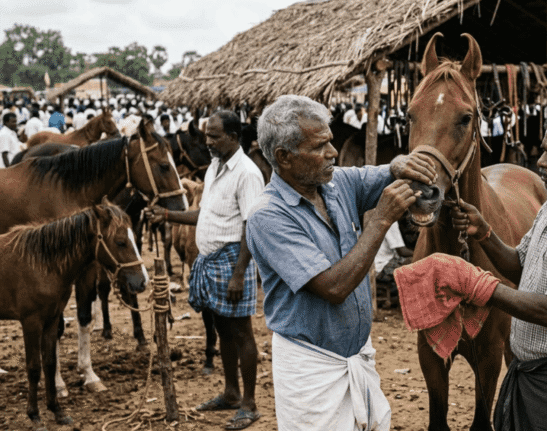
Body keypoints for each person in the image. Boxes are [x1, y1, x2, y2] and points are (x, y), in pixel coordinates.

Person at [402, 105, 547, 430]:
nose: (540, 162)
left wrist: (476, 285)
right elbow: (522, 266)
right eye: (543, 150)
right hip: (525, 371)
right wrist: (486, 235)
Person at [246, 95, 436, 430]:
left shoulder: (333, 184)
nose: (333, 153)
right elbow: (334, 288)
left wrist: (398, 166)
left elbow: (373, 174)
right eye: (320, 146)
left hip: (356, 355)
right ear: (284, 157)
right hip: (312, 370)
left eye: (330, 142)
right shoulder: (268, 216)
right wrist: (379, 222)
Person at [147, 110, 264, 430]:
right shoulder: (214, 166)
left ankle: (250, 405)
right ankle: (230, 393)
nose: (208, 142)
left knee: (242, 332)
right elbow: (205, 214)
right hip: (210, 261)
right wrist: (167, 217)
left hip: (232, 261)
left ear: (233, 137)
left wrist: (240, 273)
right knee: (222, 329)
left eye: (214, 136)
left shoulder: (247, 173)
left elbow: (251, 227)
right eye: (207, 135)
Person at [374, 221, 413, 308]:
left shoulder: (378, 218)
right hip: (382, 266)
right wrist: (420, 252)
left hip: (376, 265)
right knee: (415, 263)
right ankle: (409, 303)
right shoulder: (391, 223)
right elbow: (401, 251)